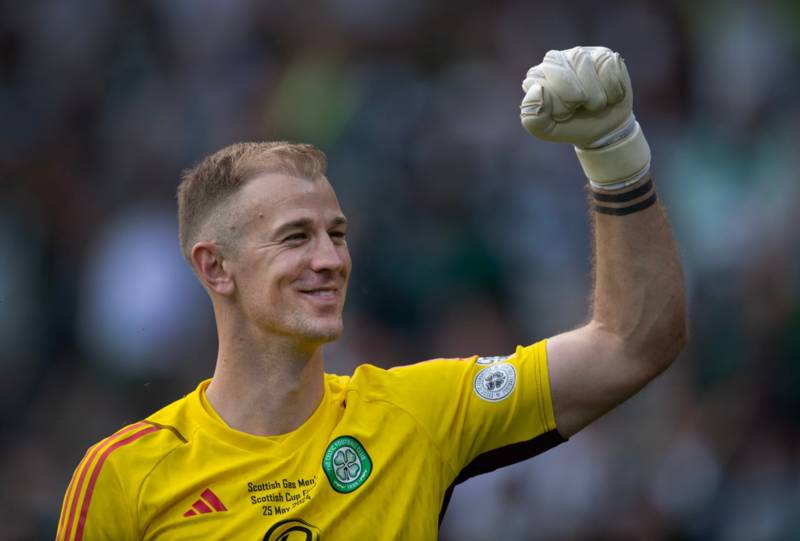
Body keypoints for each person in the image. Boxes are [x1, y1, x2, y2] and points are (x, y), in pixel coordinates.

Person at [56, 46, 686, 540]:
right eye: (295, 237)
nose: (329, 259)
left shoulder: (413, 415)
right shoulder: (124, 476)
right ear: (215, 268)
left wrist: (615, 156)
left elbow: (633, 343)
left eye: (337, 233)